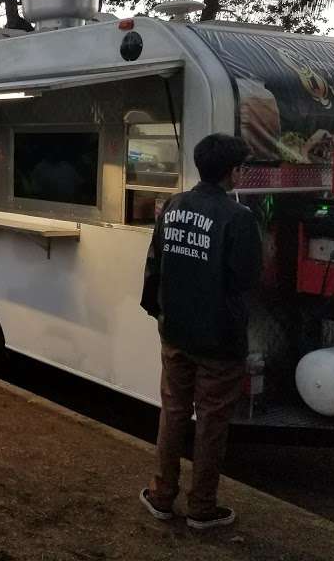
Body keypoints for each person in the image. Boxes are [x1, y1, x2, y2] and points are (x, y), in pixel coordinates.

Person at [139, 133, 262, 529]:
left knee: (173, 411)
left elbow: (154, 264)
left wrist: (157, 312)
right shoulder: (239, 218)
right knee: (211, 422)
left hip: (175, 332)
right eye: (242, 166)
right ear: (233, 172)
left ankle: (161, 496)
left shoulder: (173, 206)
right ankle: (202, 507)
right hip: (219, 341)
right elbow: (247, 279)